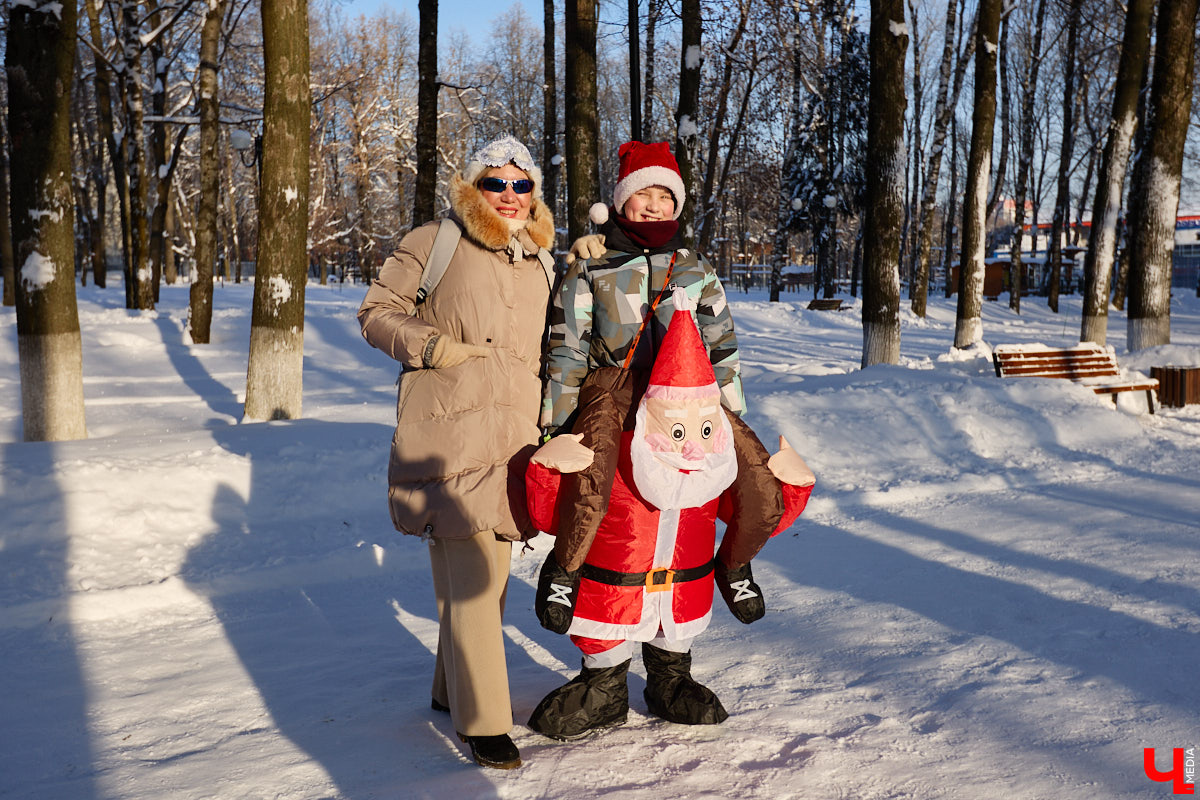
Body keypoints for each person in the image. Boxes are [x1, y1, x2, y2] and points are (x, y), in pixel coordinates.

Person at [527, 140, 811, 739]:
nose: (653, 207)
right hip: (619, 420)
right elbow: (566, 349)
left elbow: (724, 350)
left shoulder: (697, 269)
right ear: (622, 202)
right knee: (617, 538)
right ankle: (600, 670)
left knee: (685, 537)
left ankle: (676, 663)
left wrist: (732, 425)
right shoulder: (593, 266)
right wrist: (558, 426)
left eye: (664, 196)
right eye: (642, 196)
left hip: (689, 426)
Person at [357, 135, 556, 770]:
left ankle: (450, 689)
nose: (510, 196)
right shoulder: (433, 242)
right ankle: (485, 720)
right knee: (473, 577)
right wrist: (433, 347)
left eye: (521, 185)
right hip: (448, 430)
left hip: (514, 437)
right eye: (496, 184)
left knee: (491, 572)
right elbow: (375, 312)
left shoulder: (543, 260)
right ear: (474, 189)